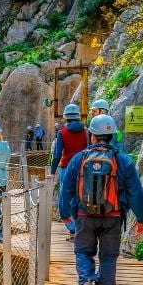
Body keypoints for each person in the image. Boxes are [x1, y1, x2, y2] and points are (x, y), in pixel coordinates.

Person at [59, 114, 143, 285]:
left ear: (92, 135)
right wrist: (141, 218)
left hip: (84, 216)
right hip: (113, 217)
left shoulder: (78, 159)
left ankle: (88, 282)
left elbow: (66, 190)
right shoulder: (123, 160)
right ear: (112, 135)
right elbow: (135, 191)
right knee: (108, 258)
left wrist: (65, 214)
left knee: (83, 252)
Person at [51, 103, 89, 241]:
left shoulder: (62, 133)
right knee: (81, 198)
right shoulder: (86, 131)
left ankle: (72, 229)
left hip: (67, 168)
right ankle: (83, 228)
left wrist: (52, 171)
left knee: (66, 197)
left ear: (66, 117)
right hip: (84, 168)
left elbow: (57, 154)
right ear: (78, 116)